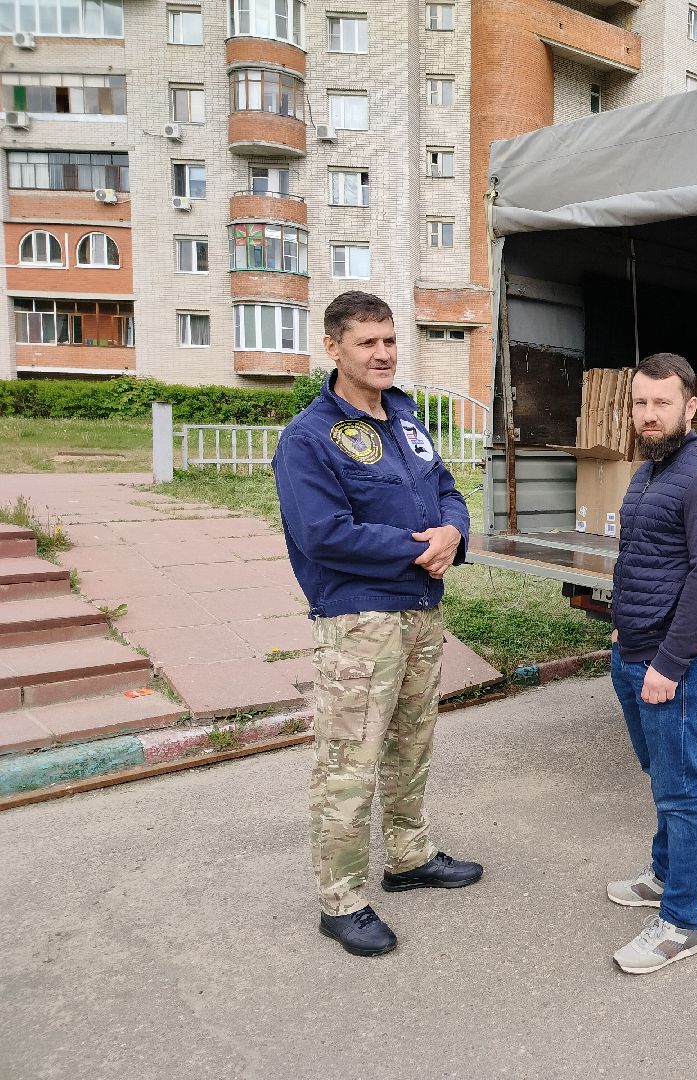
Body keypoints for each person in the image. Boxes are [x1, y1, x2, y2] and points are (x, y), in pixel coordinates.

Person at [273, 290, 482, 958]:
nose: (385, 353)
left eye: (390, 340)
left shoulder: (405, 418)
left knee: (411, 745)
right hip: (360, 619)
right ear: (333, 347)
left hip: (420, 611)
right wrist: (418, 548)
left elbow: (447, 484)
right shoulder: (309, 437)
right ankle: (341, 900)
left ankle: (409, 857)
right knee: (348, 761)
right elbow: (322, 533)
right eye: (368, 342)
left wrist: (454, 529)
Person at [606, 352, 697, 974]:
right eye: (641, 402)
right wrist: (620, 633)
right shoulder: (649, 471)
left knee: (683, 790)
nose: (649, 414)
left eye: (663, 403)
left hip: (672, 664)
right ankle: (663, 875)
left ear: (691, 407)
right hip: (632, 650)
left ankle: (681, 922)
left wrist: (670, 662)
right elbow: (639, 556)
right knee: (661, 775)